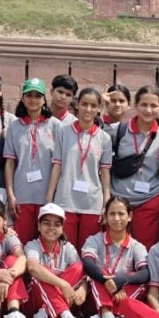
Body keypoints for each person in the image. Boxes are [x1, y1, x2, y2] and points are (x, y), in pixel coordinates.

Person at [46, 87, 112, 250]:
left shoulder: (104, 138)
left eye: (93, 105)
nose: (88, 109)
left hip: (92, 203)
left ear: (99, 108)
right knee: (65, 250)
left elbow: (105, 173)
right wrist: (49, 198)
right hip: (65, 200)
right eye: (84, 104)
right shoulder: (63, 131)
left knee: (88, 251)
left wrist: (106, 203)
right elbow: (57, 166)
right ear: (77, 105)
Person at [80, 195, 150, 318]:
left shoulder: (137, 246)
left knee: (141, 283)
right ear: (105, 216)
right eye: (112, 214)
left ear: (130, 216)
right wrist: (106, 280)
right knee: (96, 273)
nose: (116, 218)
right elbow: (87, 263)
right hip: (94, 299)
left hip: (121, 295)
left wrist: (120, 281)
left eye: (121, 214)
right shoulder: (94, 240)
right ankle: (107, 316)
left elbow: (145, 273)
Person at [107, 86, 159, 249]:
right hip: (119, 199)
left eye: (153, 106)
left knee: (144, 248)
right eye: (144, 105)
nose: (148, 110)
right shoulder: (118, 131)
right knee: (115, 247)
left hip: (149, 200)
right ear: (135, 105)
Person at [4, 77, 60, 243]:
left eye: (38, 95)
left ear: (44, 99)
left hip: (47, 196)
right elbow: (10, 163)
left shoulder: (56, 126)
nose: (33, 99)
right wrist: (11, 195)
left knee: (47, 242)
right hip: (22, 195)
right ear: (22, 98)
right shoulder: (15, 126)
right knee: (22, 242)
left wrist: (51, 196)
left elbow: (58, 164)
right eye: (29, 95)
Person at [24, 203, 87, 318]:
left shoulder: (68, 247)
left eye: (57, 224)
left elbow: (82, 273)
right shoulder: (32, 245)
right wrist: (63, 284)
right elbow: (33, 268)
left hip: (59, 301)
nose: (51, 228)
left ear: (62, 228)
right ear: (39, 226)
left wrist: (83, 288)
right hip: (34, 300)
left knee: (78, 267)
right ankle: (65, 315)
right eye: (46, 223)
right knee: (41, 271)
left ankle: (44, 313)